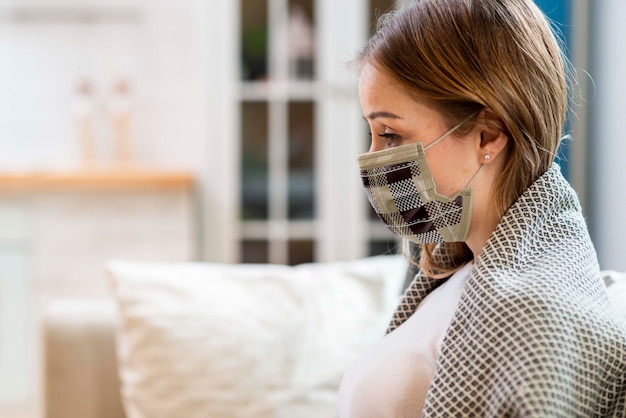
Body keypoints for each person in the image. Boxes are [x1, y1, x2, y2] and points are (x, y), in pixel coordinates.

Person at [339, 0, 626, 416]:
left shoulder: (531, 317)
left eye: (390, 134)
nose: (371, 159)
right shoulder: (459, 268)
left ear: (488, 137)